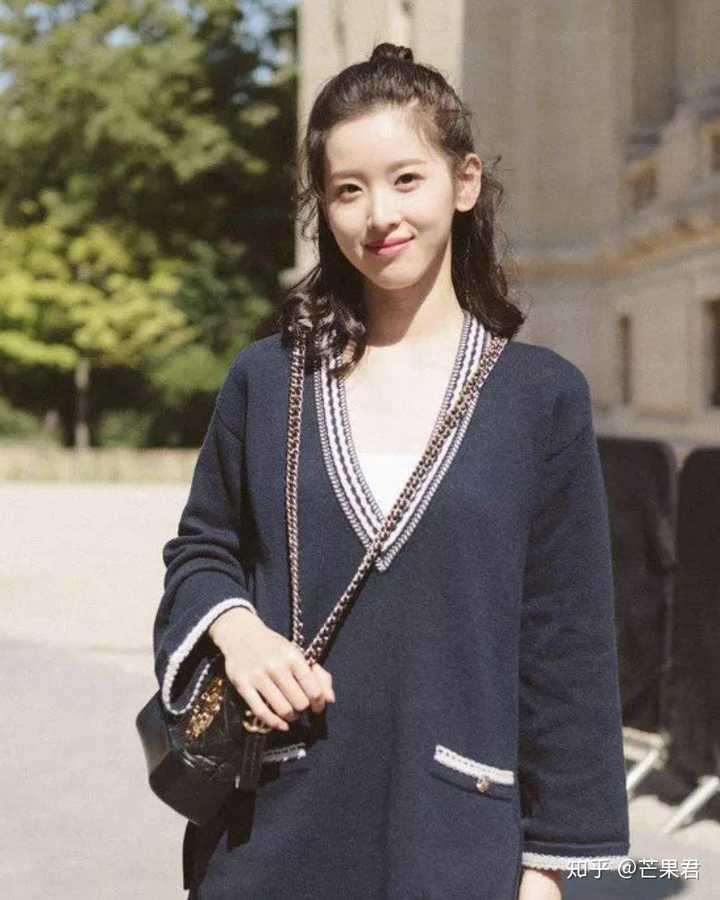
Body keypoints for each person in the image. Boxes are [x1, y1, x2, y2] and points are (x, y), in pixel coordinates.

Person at [151, 42, 630, 900]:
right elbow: (201, 551)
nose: (379, 214)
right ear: (324, 209)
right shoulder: (267, 380)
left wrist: (551, 870)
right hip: (271, 834)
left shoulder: (540, 397)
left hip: (453, 837)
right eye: (348, 189)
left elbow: (569, 642)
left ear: (464, 182)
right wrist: (238, 630)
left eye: (407, 179)